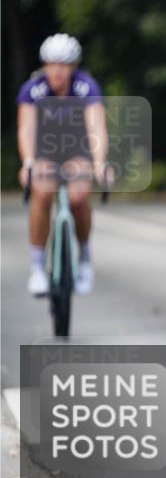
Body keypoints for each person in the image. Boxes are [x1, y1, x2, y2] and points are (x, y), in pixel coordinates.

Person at [16, 33, 111, 296]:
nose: (58, 70)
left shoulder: (86, 87)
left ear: (74, 67)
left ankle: (84, 257)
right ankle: (37, 265)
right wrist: (29, 163)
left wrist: (100, 162)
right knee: (43, 192)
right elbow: (26, 129)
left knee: (79, 197)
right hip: (45, 149)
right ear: (45, 65)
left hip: (76, 148)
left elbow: (96, 127)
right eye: (52, 64)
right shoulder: (33, 90)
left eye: (64, 64)